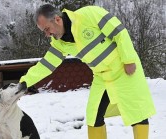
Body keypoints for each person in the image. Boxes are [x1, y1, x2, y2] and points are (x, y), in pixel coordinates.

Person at [18, 4, 156, 139]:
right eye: (44, 31)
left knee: (137, 112)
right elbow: (46, 65)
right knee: (93, 116)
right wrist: (24, 82)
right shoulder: (59, 43)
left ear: (57, 19)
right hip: (102, 77)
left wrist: (129, 60)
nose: (47, 35)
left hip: (124, 69)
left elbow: (119, 32)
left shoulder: (89, 14)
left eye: (47, 29)